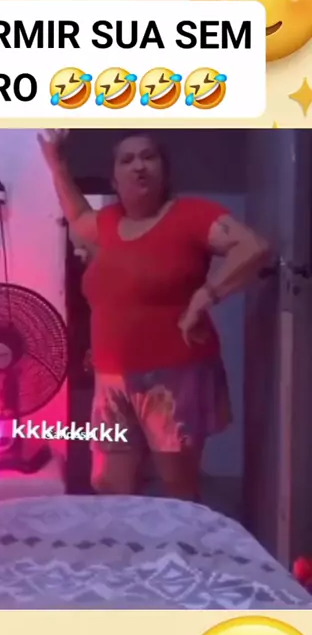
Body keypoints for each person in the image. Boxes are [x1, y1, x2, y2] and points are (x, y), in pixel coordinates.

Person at [38, 129, 271, 501]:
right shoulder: (107, 223)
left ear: (164, 170)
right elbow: (78, 214)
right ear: (115, 180)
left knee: (176, 488)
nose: (139, 166)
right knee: (109, 485)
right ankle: (129, 541)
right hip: (111, 379)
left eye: (148, 157)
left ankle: (182, 541)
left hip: (174, 377)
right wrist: (56, 163)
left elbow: (254, 247)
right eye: (127, 160)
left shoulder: (191, 215)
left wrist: (205, 296)